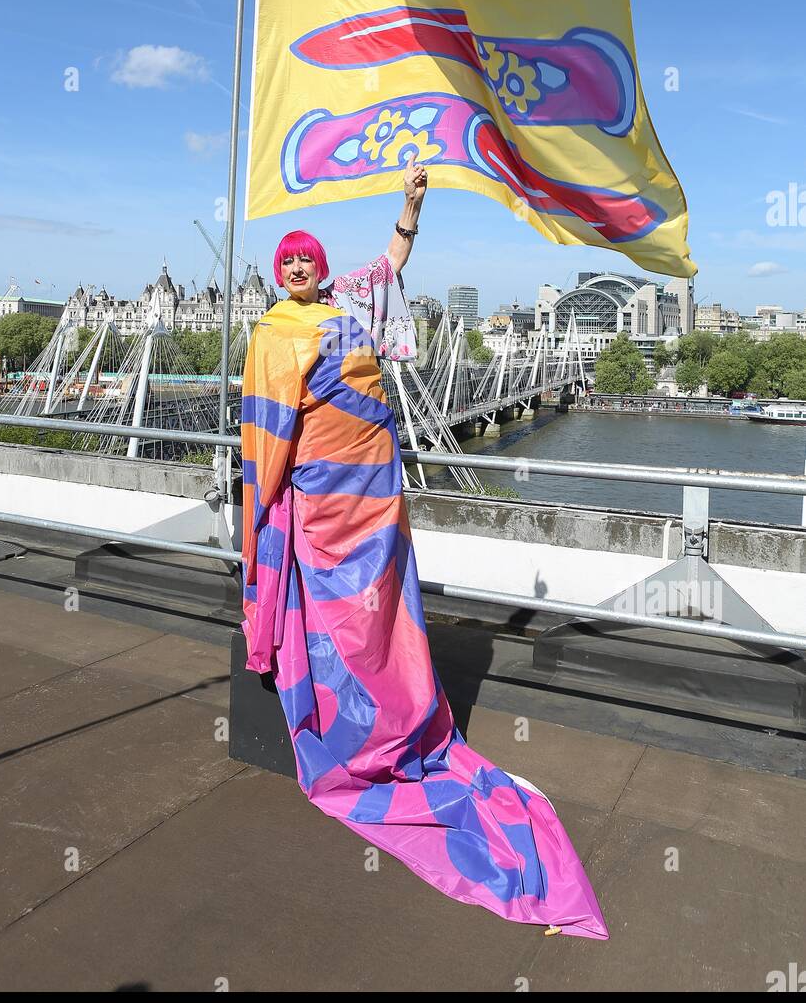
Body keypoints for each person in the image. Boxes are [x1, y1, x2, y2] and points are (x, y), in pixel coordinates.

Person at [240, 154, 607, 938]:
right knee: (334, 617)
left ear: (323, 266)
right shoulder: (273, 331)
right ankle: (352, 727)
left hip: (375, 497)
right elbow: (265, 432)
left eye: (307, 256)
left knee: (382, 613)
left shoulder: (347, 301)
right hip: (321, 499)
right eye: (288, 260)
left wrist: (411, 206)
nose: (300, 266)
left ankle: (396, 709)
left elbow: (394, 259)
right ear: (280, 273)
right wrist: (261, 506)